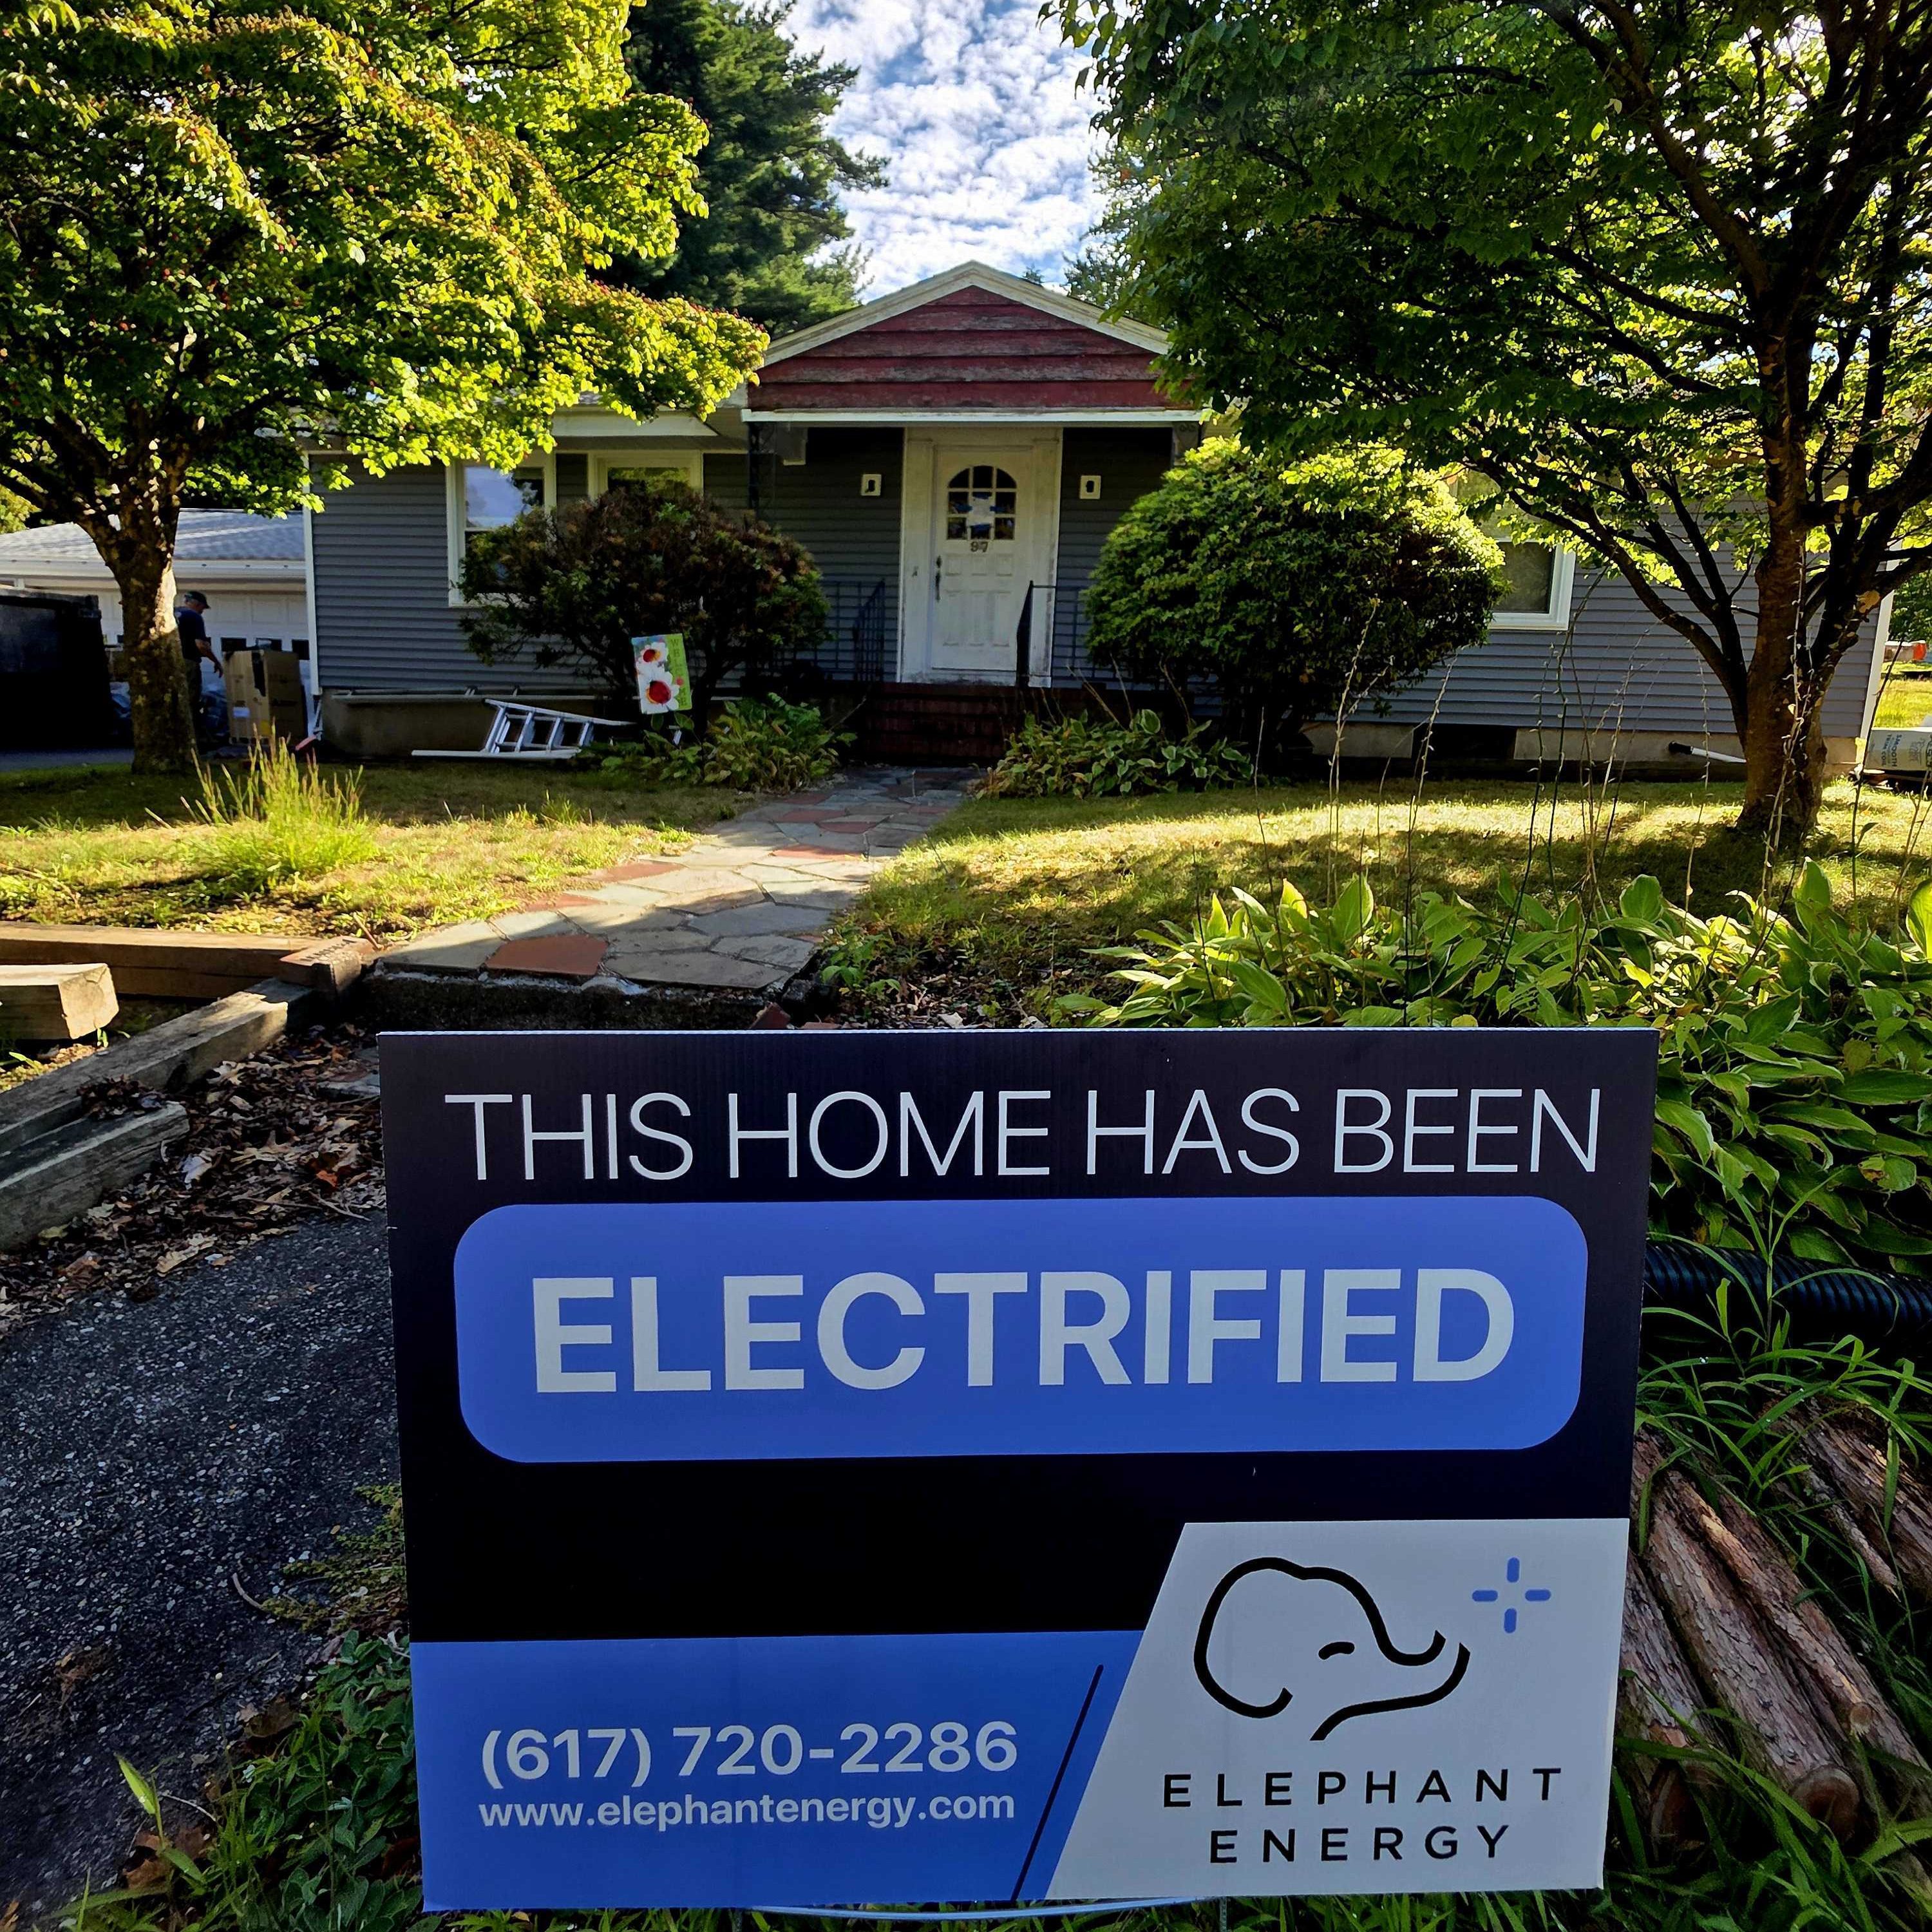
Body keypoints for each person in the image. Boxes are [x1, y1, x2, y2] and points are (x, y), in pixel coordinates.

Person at [175, 590, 227, 741]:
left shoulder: (172, 614)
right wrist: (216, 662)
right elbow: (201, 645)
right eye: (202, 609)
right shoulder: (194, 617)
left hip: (171, 664)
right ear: (197, 605)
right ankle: (192, 739)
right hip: (188, 663)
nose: (202, 612)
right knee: (190, 702)